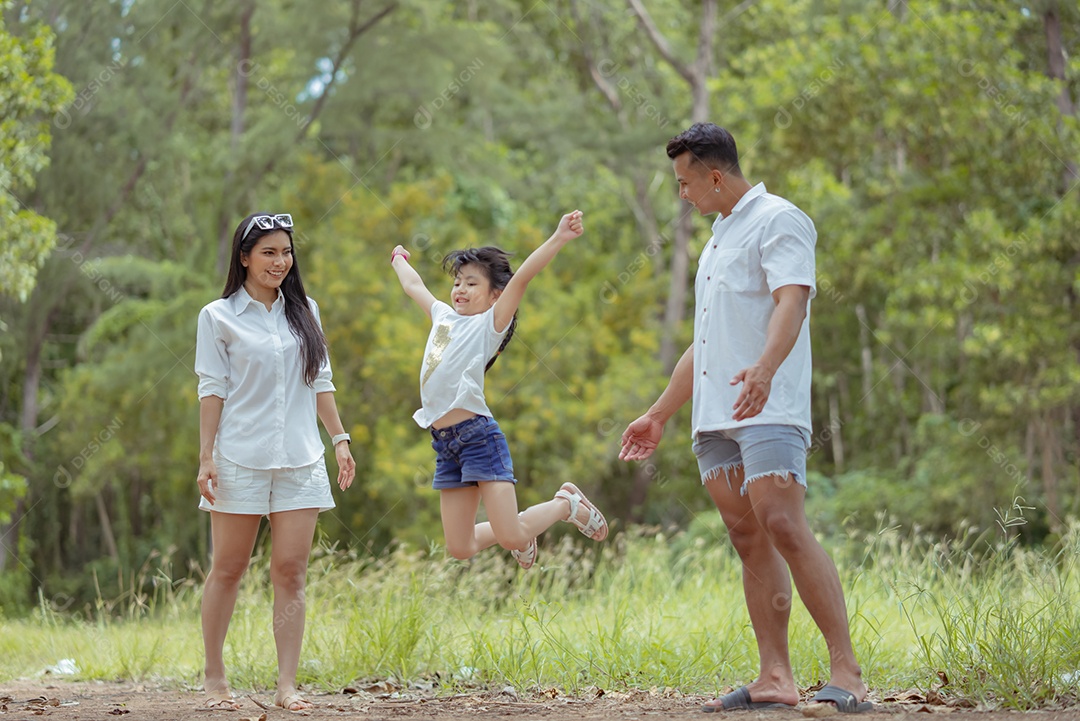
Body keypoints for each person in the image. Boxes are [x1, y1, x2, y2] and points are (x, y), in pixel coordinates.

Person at [619, 124, 872, 714]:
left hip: (768, 405)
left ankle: (848, 673)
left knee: (783, 522)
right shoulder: (716, 239)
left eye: (685, 183)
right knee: (747, 537)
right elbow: (705, 340)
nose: (682, 194)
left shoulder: (779, 219)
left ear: (714, 176)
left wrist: (764, 369)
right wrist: (658, 413)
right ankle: (775, 678)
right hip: (714, 415)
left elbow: (793, 300)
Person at [195, 212, 356, 712]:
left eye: (286, 252)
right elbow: (212, 389)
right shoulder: (217, 316)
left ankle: (287, 685)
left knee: (291, 572)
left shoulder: (306, 311)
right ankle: (215, 678)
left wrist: (340, 439)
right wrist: (205, 457)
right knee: (228, 568)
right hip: (238, 458)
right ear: (244, 258)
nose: (279, 262)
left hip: (301, 459)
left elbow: (320, 381)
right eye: (268, 252)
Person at [390, 210, 607, 570]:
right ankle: (521, 528)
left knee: (512, 537)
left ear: (494, 296)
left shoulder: (489, 325)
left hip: (478, 438)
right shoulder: (442, 316)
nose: (460, 290)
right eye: (457, 283)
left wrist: (559, 237)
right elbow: (414, 286)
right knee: (460, 547)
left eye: (471, 284)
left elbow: (522, 278)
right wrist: (399, 259)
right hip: (445, 444)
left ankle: (565, 505)